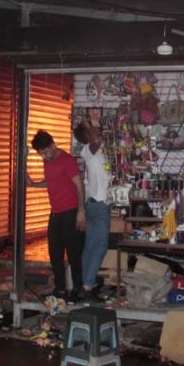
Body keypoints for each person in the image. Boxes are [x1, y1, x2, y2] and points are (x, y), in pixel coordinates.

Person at [26, 130, 86, 301]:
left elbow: (79, 186)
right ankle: (60, 289)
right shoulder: (48, 161)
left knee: (73, 253)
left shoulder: (67, 160)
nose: (44, 157)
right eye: (41, 154)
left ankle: (77, 288)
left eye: (45, 152)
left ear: (53, 145)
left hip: (71, 211)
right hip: (56, 212)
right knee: (55, 253)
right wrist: (34, 184)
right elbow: (52, 182)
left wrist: (81, 212)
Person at [73, 121, 111, 303]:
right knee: (100, 246)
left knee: (89, 247)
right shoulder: (91, 149)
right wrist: (91, 126)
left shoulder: (92, 151)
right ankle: (88, 285)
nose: (98, 130)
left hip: (93, 204)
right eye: (93, 130)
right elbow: (96, 137)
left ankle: (84, 285)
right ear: (88, 136)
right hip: (99, 205)